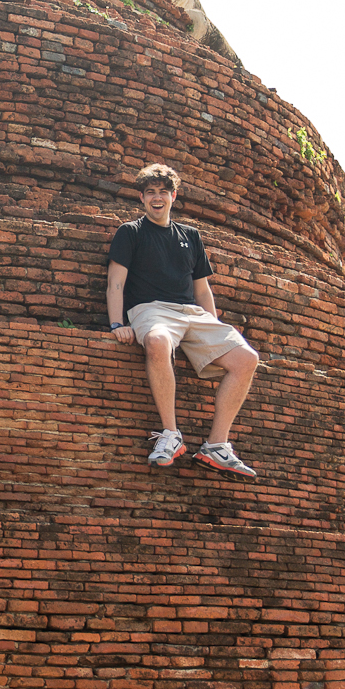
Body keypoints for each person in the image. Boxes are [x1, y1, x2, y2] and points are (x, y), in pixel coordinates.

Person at [105, 163, 262, 476]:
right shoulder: (131, 232)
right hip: (151, 310)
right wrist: (116, 324)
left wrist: (213, 328)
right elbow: (115, 283)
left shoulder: (190, 236)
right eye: (150, 192)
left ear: (173, 196)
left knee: (247, 359)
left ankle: (217, 446)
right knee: (157, 341)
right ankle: (171, 434)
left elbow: (202, 290)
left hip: (192, 314)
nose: (157, 197)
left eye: (163, 192)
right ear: (141, 198)